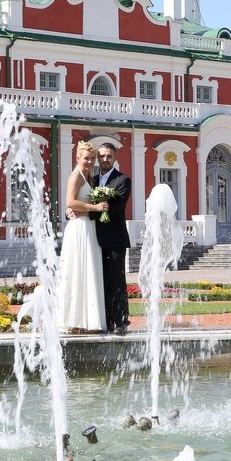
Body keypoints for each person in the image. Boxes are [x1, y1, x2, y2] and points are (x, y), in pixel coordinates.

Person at [57, 141, 108, 334]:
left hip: (89, 227)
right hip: (79, 228)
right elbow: (70, 201)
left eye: (92, 158)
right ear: (77, 158)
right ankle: (74, 320)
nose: (89, 161)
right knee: (77, 270)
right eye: (86, 158)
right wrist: (94, 208)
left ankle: (88, 320)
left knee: (89, 272)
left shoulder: (90, 178)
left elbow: (75, 204)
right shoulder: (75, 176)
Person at [93, 143, 132, 334]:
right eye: (102, 156)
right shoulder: (91, 180)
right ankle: (105, 321)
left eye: (109, 156)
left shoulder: (123, 180)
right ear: (97, 158)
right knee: (99, 280)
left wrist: (94, 209)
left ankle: (121, 321)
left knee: (116, 279)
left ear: (115, 158)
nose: (105, 159)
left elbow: (117, 207)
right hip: (94, 240)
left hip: (115, 239)